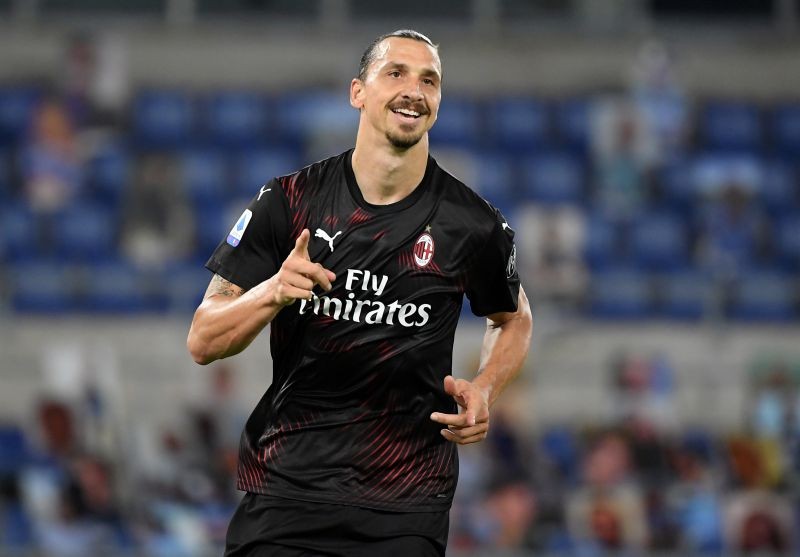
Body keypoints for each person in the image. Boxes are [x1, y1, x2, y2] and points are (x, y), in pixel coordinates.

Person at [187, 29, 532, 557]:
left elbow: (513, 318)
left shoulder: (472, 224)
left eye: (429, 80)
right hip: (286, 493)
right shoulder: (289, 201)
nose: (414, 90)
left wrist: (485, 387)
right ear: (358, 92)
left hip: (405, 506)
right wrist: (274, 291)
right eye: (395, 73)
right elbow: (203, 340)